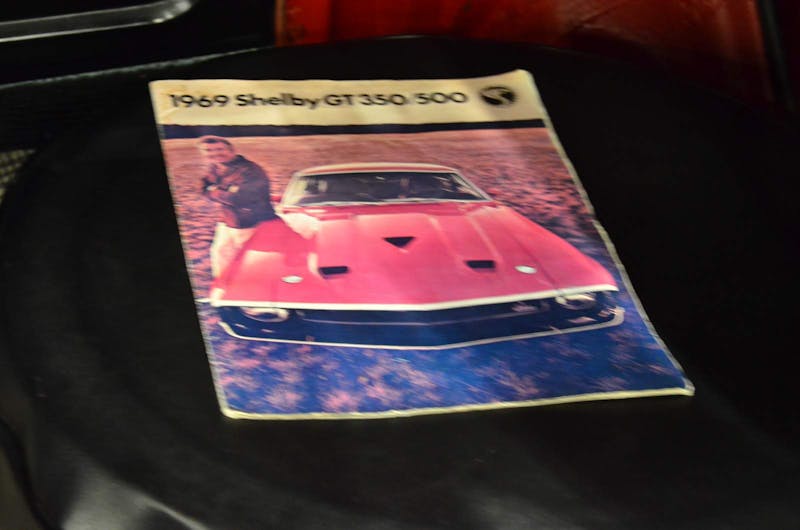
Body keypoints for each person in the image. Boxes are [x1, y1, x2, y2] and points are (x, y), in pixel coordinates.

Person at [198, 135, 277, 278]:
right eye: (208, 150)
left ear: (231, 150)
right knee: (220, 254)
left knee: (250, 259)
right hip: (227, 220)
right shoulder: (215, 167)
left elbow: (240, 197)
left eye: (219, 149)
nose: (215, 153)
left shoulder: (250, 170)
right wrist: (224, 191)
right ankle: (223, 286)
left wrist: (214, 190)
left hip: (250, 222)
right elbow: (203, 188)